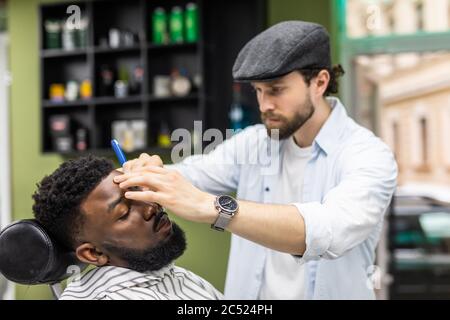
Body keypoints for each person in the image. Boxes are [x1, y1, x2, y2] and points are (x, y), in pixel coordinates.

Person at [113, 20, 398, 299]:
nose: (264, 106)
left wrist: (212, 208)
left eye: (276, 90)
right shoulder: (255, 142)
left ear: (320, 82)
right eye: (258, 91)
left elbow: (331, 229)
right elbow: (194, 172)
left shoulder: (368, 154)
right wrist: (145, 174)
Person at [32, 155, 223, 300]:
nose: (151, 207)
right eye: (124, 213)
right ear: (93, 253)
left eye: (137, 191)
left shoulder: (170, 275)